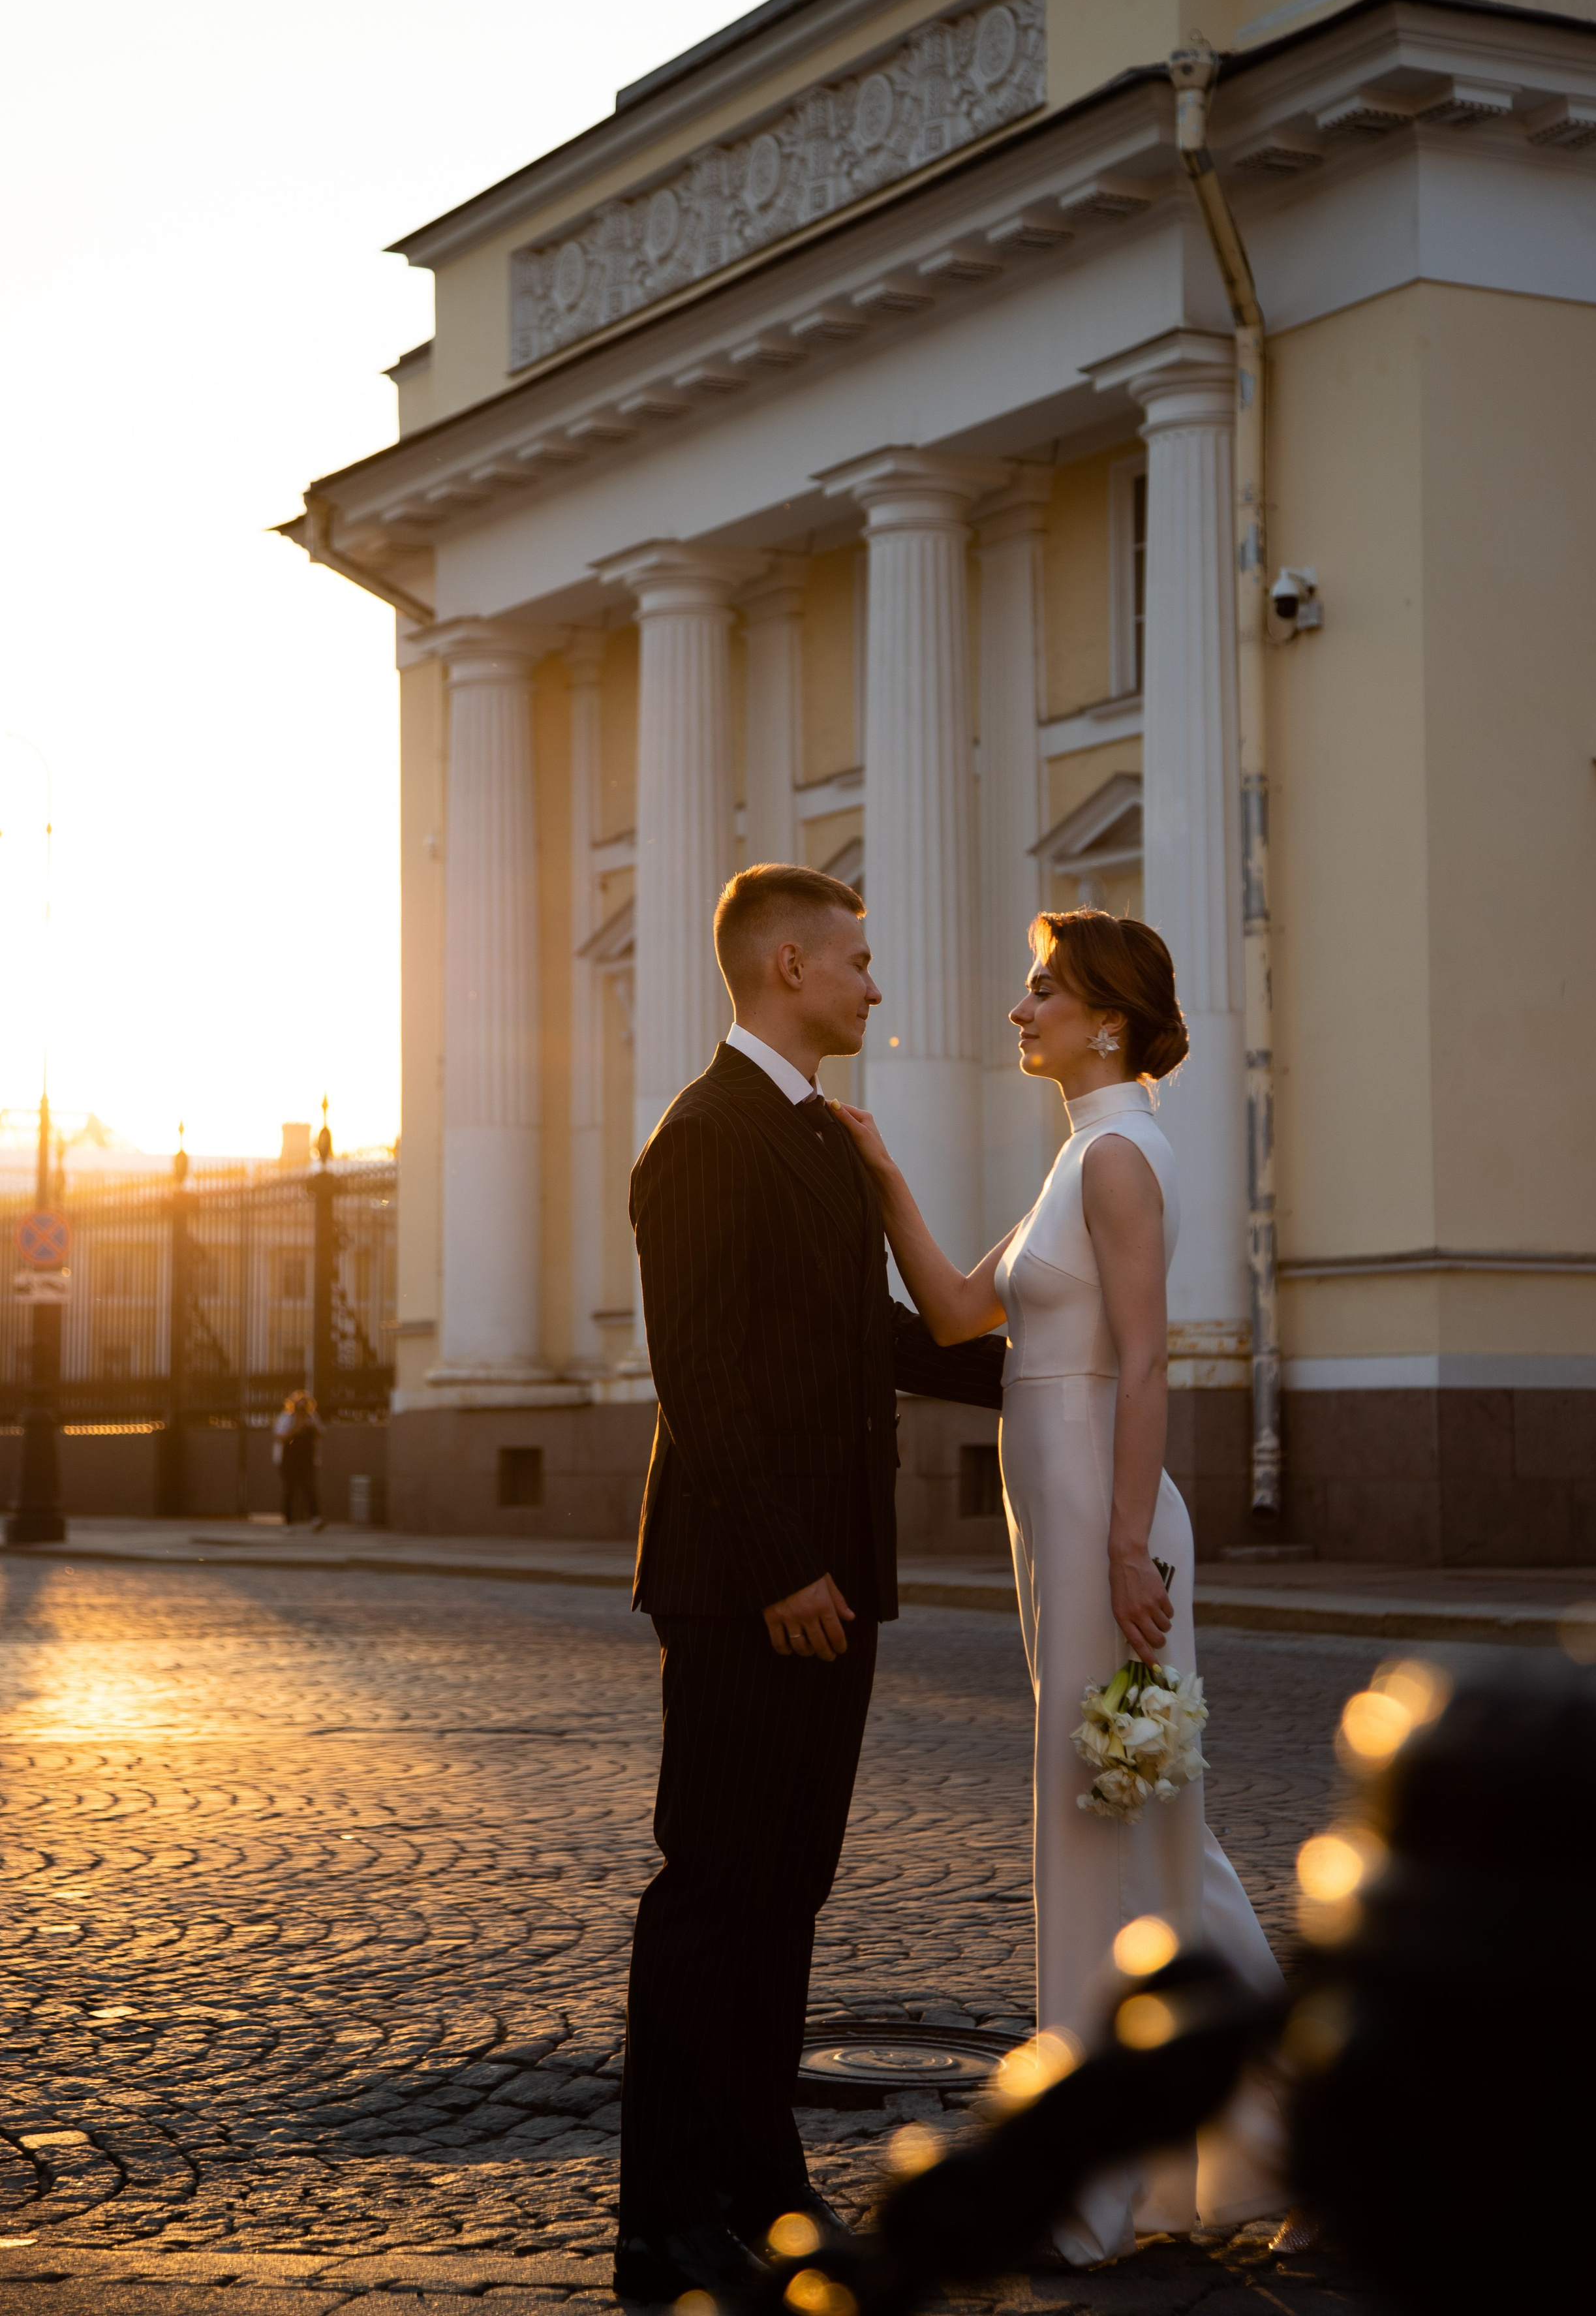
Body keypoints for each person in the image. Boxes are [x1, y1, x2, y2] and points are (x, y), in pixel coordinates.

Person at [834, 908, 1287, 2265]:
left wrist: (1124, 1549)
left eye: (1044, 990)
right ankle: (1285, 2116)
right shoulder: (1082, 1153)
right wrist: (878, 1173)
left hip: (1108, 1529)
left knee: (1104, 1825)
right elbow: (963, 1315)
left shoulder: (1119, 1161)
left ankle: (1105, 2186)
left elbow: (1145, 1366)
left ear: (1105, 1019)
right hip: (1079, 1526)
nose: (1019, 1008)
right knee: (1152, 1828)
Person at [615, 864, 1005, 2306]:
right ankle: (658, 2221)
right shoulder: (704, 1136)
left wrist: (1052, 1387)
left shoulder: (822, 1142)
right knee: (713, 1894)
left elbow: (872, 1339)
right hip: (746, 1584)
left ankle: (759, 2186)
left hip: (835, 1577)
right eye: (854, 960)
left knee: (786, 1899)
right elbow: (697, 1376)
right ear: (787, 966)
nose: (873, 984)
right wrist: (782, 1564)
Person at [273, 1391, 322, 1528]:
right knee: (290, 1489)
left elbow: (320, 1434)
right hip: (289, 1460)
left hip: (307, 1459)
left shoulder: (312, 1418)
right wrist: (295, 1430)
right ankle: (288, 1520)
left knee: (309, 1488)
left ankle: (315, 1518)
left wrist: (311, 1426)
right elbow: (280, 1437)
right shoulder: (286, 1418)